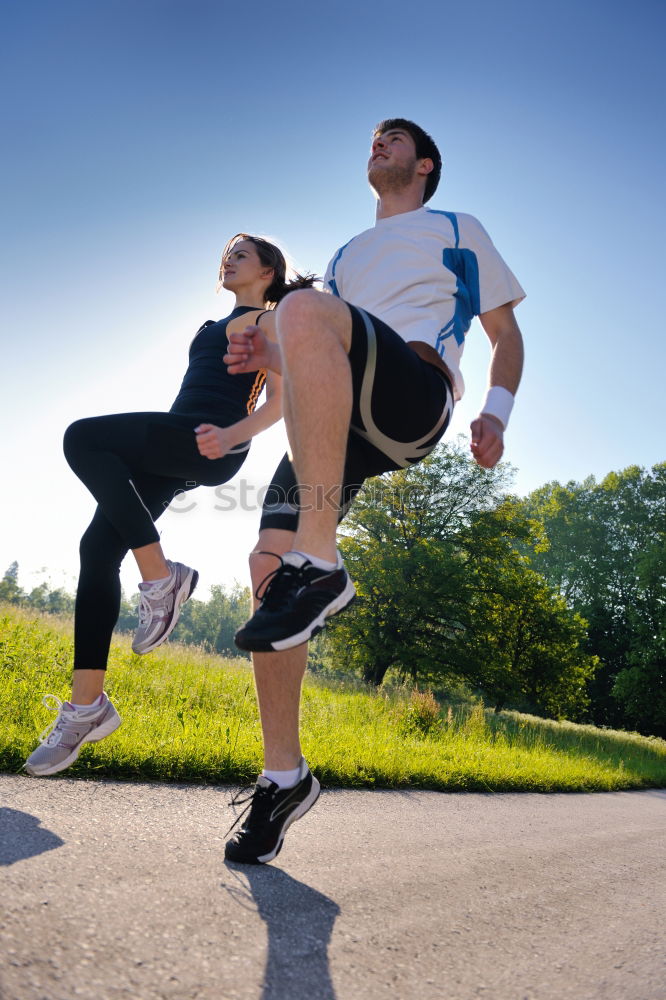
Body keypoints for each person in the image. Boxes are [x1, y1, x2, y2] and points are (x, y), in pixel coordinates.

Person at [222, 119, 525, 864]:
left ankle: (323, 566)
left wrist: (495, 414)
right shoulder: (344, 255)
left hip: (413, 397)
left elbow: (506, 335)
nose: (378, 144)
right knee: (269, 573)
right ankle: (283, 777)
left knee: (297, 310)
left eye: (395, 139)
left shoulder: (457, 227)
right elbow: (312, 354)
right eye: (372, 139)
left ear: (425, 164)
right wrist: (271, 351)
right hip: (335, 429)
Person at [25, 234, 315, 777]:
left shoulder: (270, 321)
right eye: (225, 255)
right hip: (175, 438)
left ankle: (160, 578)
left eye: (242, 256)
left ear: (269, 271)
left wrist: (231, 436)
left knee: (82, 437)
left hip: (212, 441)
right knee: (96, 547)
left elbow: (281, 403)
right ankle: (87, 706)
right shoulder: (208, 328)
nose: (228, 261)